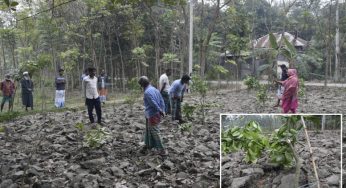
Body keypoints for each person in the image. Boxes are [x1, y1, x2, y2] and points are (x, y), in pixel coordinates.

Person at [138, 76, 166, 156]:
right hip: (152, 114)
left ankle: (162, 149)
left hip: (152, 114)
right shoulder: (155, 89)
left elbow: (153, 102)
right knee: (148, 130)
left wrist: (160, 110)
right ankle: (148, 145)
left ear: (142, 85)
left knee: (155, 131)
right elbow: (161, 100)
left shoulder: (147, 92)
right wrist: (162, 109)